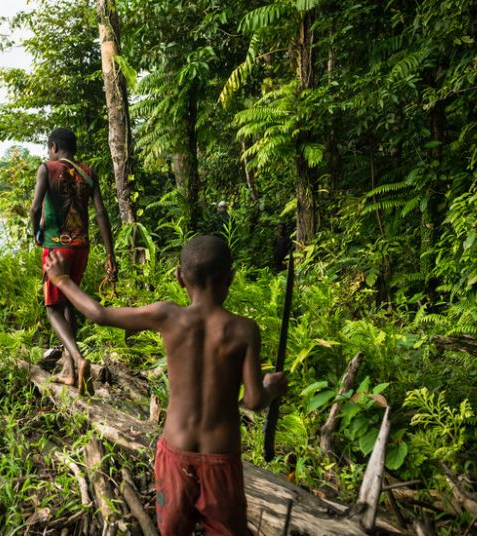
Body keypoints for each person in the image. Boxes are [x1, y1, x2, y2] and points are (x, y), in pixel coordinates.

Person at [44, 235, 288, 535]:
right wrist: (271, 388)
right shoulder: (244, 330)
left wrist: (62, 279)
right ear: (231, 278)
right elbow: (253, 400)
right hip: (221, 459)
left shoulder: (168, 316)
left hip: (175, 454)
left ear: (179, 277)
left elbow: (100, 315)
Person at [30, 127, 117, 394]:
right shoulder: (88, 173)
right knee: (69, 302)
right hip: (82, 248)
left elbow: (35, 208)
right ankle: (69, 371)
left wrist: (36, 233)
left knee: (53, 309)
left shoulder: (47, 168)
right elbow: (101, 215)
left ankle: (79, 361)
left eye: (49, 148)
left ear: (54, 146)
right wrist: (110, 254)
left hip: (57, 248)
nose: (48, 153)